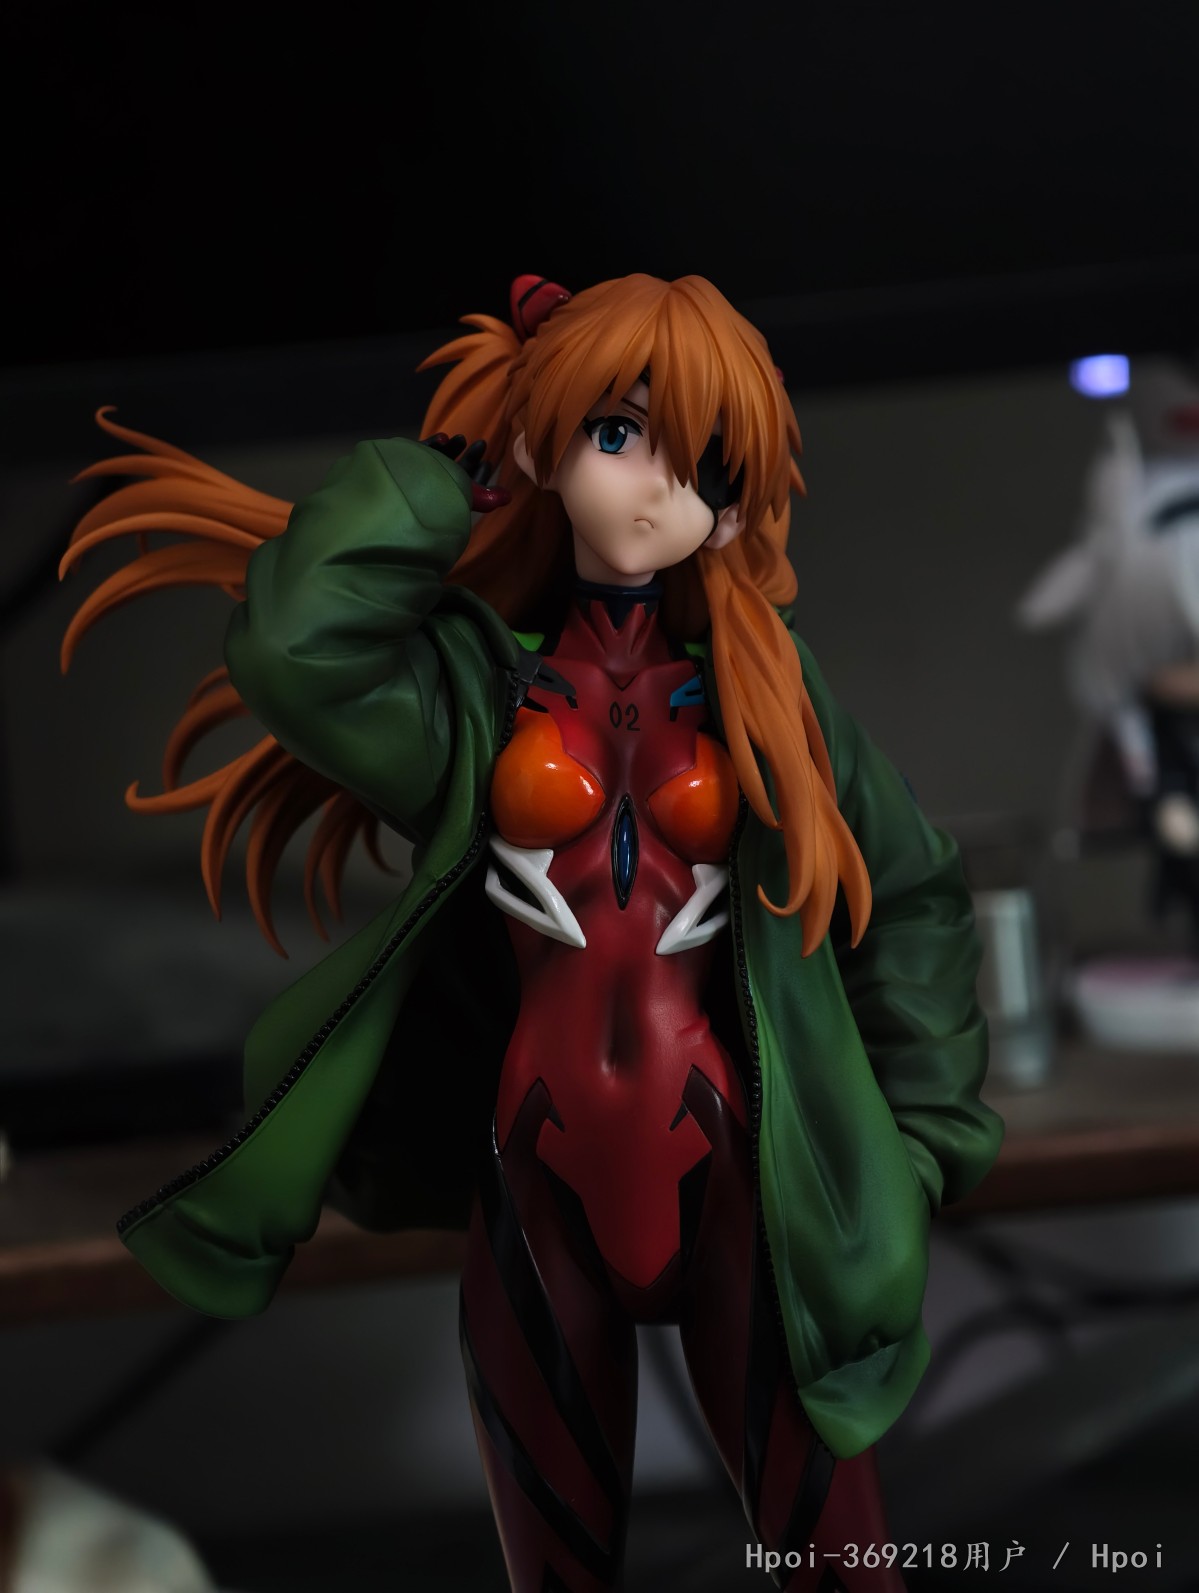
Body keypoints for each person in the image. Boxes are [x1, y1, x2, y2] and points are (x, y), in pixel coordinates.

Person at [62, 273, 1002, 1592]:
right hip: (536, 1171)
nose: (658, 488)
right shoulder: (476, 693)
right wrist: (460, 469)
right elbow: (296, 651)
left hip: (742, 1175)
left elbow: (910, 893)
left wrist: (922, 1143)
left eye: (705, 465)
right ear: (548, 440)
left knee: (846, 1571)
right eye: (620, 432)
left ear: (735, 505)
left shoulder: (768, 697)